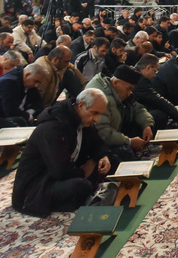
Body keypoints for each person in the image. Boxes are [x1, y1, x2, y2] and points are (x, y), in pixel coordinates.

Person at [12, 88, 111, 217]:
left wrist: (104, 156)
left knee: (111, 161)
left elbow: (96, 143)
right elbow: (60, 170)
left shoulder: (81, 119)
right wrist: (83, 172)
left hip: (61, 175)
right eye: (94, 113)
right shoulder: (53, 128)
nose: (97, 119)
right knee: (81, 186)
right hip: (37, 186)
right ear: (81, 106)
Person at [87, 64, 154, 162]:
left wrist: (147, 125)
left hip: (116, 131)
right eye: (129, 88)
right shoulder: (101, 97)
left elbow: (137, 108)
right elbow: (103, 133)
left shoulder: (118, 90)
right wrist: (129, 142)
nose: (129, 93)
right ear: (116, 83)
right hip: (99, 144)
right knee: (123, 152)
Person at [134, 54, 178, 131]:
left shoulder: (137, 74)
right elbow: (157, 99)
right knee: (160, 115)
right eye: (155, 71)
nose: (155, 75)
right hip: (131, 115)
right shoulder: (139, 81)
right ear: (148, 68)